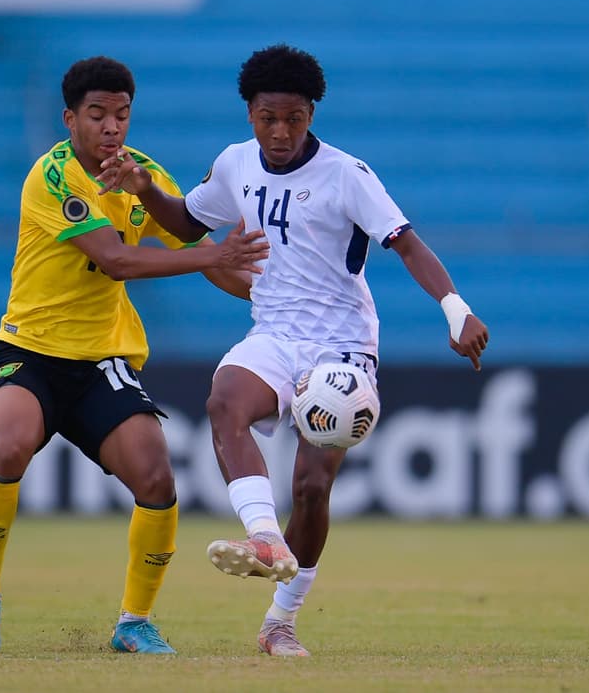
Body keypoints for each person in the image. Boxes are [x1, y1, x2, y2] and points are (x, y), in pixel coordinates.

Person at [96, 44, 489, 656]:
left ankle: (281, 619)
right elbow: (185, 225)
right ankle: (262, 538)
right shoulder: (234, 164)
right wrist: (145, 187)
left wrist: (455, 309)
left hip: (342, 349)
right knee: (224, 401)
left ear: (311, 114)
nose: (280, 133)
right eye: (267, 119)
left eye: (294, 119)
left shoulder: (346, 175)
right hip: (274, 333)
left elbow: (407, 244)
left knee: (310, 487)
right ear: (249, 113)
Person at [0, 55, 268, 656]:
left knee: (156, 476)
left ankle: (134, 623)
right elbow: (118, 260)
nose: (111, 127)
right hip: (30, 351)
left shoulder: (141, 176)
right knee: (9, 443)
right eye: (97, 114)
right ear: (69, 118)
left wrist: (273, 301)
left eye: (122, 115)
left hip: (103, 361)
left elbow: (197, 243)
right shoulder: (51, 178)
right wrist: (214, 258)